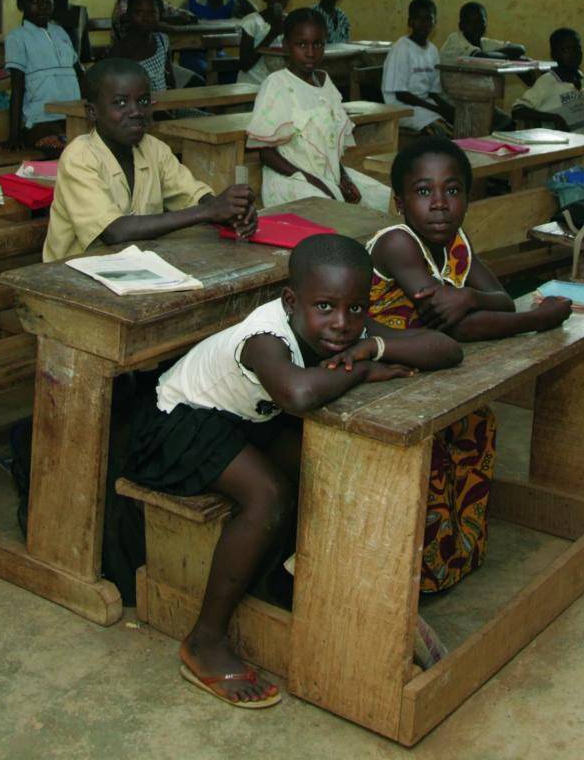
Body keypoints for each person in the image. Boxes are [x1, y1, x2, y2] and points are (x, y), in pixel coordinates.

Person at [124, 234, 462, 707]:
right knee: (270, 498)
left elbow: (447, 349)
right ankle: (205, 640)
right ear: (291, 301)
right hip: (177, 425)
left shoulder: (349, 327)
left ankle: (288, 582)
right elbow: (297, 394)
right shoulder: (265, 336)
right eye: (324, 307)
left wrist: (375, 348)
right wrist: (360, 372)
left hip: (247, 420)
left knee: (328, 472)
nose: (342, 325)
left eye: (357, 309)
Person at [369, 138, 574, 596]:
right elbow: (453, 327)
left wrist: (468, 297)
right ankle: (411, 580)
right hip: (381, 371)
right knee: (430, 453)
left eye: (452, 190)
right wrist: (535, 318)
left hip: (432, 369)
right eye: (423, 192)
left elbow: (496, 298)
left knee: (477, 425)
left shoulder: (457, 243)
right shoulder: (398, 245)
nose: (439, 204)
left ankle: (455, 560)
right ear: (400, 203)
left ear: (468, 198)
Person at [43, 59, 258, 261]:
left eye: (143, 101)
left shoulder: (154, 149)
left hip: (134, 265)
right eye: (120, 102)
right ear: (92, 112)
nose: (136, 111)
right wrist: (210, 211)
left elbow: (193, 195)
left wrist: (231, 211)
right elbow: (115, 231)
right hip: (72, 274)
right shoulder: (79, 157)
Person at [246, 9, 391, 211]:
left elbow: (329, 146)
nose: (311, 52)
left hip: (329, 175)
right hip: (291, 179)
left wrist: (344, 178)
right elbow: (266, 154)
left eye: (318, 44)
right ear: (286, 46)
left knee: (387, 199)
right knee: (333, 209)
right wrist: (314, 182)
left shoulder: (325, 82)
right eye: (301, 44)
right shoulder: (277, 84)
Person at [5, 0, 82, 151]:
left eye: (48, 0)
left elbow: (79, 74)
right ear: (20, 5)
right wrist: (14, 134)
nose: (43, 6)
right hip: (40, 119)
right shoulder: (17, 37)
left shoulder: (60, 32)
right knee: (58, 146)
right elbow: (18, 87)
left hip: (71, 116)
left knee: (91, 145)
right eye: (34, 1)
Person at [379, 0, 452, 134]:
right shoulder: (401, 49)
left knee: (461, 122)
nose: (424, 24)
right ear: (410, 22)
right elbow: (401, 95)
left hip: (424, 104)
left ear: (435, 22)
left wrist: (447, 108)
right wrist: (436, 109)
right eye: (419, 19)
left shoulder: (433, 50)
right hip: (401, 108)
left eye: (429, 19)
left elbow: (433, 92)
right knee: (441, 131)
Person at [180, 0, 255, 82]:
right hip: (192, 55)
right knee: (204, 73)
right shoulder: (192, 2)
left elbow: (254, 15)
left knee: (236, 72)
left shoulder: (231, 2)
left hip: (218, 54)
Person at [512, 28, 584, 131]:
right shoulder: (548, 81)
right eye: (567, 49)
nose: (574, 54)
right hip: (560, 144)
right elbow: (518, 110)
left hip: (582, 142)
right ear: (554, 54)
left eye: (577, 48)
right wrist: (554, 118)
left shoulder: (580, 77)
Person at [234, 0, 292, 87]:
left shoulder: (293, 22)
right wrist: (272, 34)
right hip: (252, 84)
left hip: (280, 86)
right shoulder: (252, 22)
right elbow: (245, 64)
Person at [440, 1, 525, 61]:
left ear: (486, 24)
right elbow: (480, 57)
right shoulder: (455, 40)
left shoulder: (483, 42)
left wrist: (497, 55)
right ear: (461, 26)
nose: (476, 26)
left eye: (480, 22)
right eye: (470, 22)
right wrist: (509, 56)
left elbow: (520, 48)